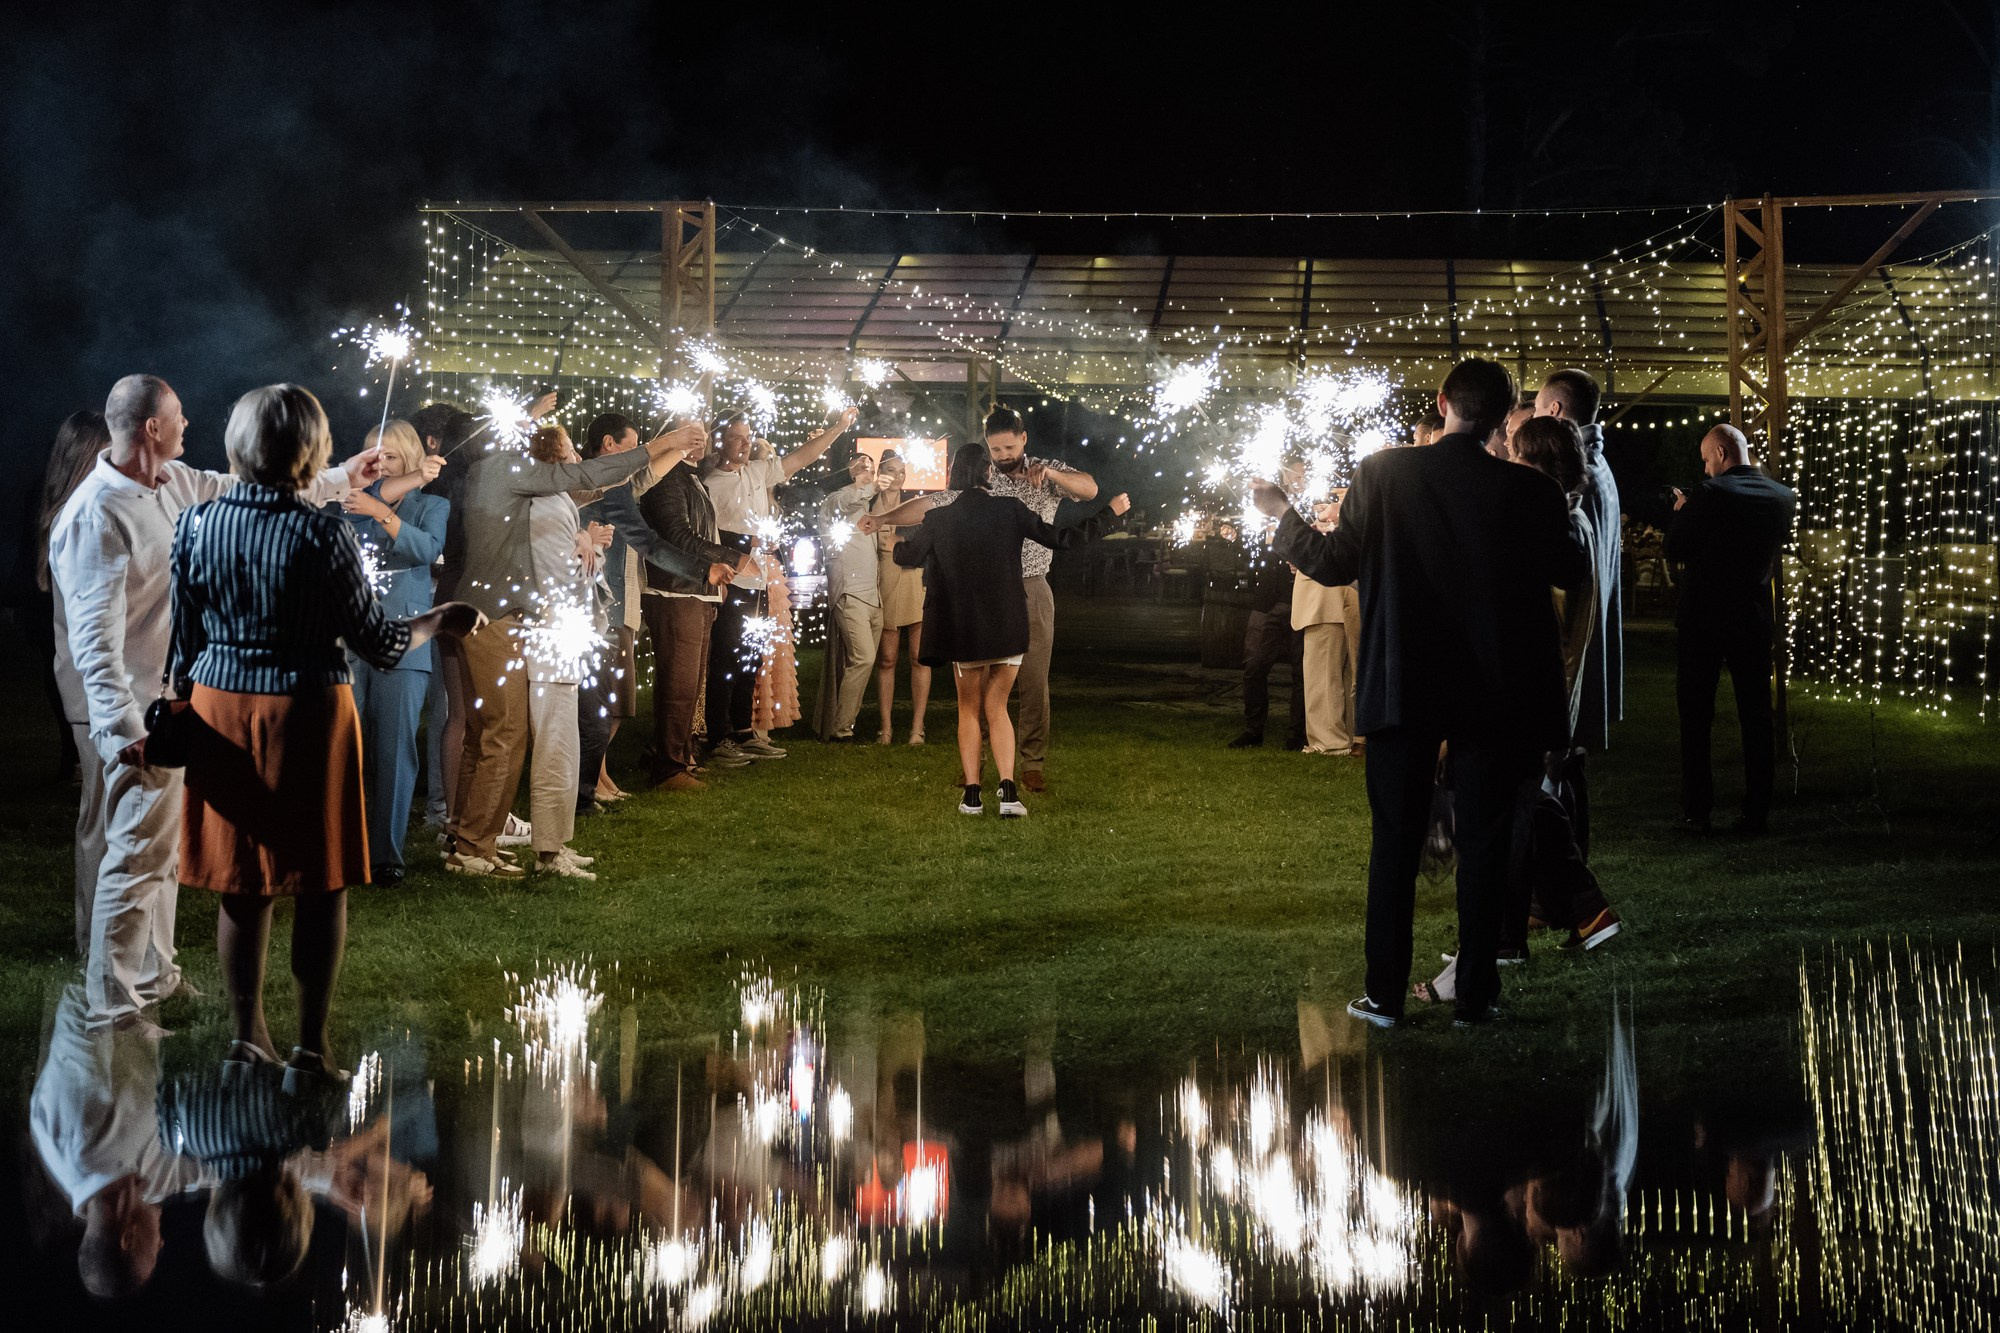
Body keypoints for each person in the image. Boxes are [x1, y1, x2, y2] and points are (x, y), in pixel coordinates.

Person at [1253, 357, 1588, 1028]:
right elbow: (1569, 568)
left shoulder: (1384, 473)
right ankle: (1475, 996)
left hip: (1404, 679)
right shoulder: (1528, 491)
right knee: (1487, 841)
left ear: (1443, 403)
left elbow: (1331, 561)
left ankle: (1383, 996)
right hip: (1496, 689)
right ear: (1507, 413)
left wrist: (1283, 515)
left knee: (1396, 842)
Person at [168, 383, 483, 1086]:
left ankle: (248, 1036)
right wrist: (440, 620)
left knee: (243, 882)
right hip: (306, 707)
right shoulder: (324, 532)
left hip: (222, 706)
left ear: (237, 446)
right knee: (321, 879)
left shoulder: (194, 525)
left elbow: (183, 643)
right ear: (310, 452)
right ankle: (310, 1047)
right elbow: (377, 641)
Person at [50, 374, 381, 1032]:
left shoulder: (172, 482)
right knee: (133, 855)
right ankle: (113, 1003)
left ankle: (155, 975)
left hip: (176, 704)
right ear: (150, 428)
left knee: (162, 852)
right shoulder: (96, 513)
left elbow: (251, 493)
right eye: (177, 415)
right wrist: (124, 733)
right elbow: (94, 642)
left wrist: (344, 475)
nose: (188, 422)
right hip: (137, 716)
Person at [444, 404, 702, 876]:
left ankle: (467, 837)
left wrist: (586, 529)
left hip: (499, 615)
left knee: (486, 736)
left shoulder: (508, 478)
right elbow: (590, 473)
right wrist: (661, 444)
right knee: (503, 734)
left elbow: (596, 483)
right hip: (499, 617)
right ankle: (472, 849)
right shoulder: (505, 469)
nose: (528, 430)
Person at [865, 407, 1100, 793]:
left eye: (1008, 446)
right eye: (995, 448)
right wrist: (884, 518)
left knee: (1033, 680)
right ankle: (979, 760)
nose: (1002, 455)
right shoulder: (981, 477)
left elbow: (1090, 488)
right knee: (984, 682)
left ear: (1023, 439)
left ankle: (1032, 762)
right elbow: (931, 505)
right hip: (985, 590)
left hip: (1031, 585)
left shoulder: (1046, 471)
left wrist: (1052, 474)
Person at [892, 442, 1129, 818]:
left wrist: (894, 542)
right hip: (1006, 623)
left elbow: (909, 556)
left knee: (969, 709)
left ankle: (972, 795)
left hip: (965, 628)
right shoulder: (1010, 510)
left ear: (954, 477)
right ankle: (1008, 791)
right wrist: (1109, 515)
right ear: (988, 474)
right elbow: (1062, 540)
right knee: (998, 707)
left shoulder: (939, 519)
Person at [701, 407, 856, 764]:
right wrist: (748, 542)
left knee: (750, 660)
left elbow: (803, 457)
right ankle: (718, 736)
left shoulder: (757, 471)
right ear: (720, 440)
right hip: (730, 581)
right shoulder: (710, 483)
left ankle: (743, 731)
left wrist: (839, 427)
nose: (745, 443)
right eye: (737, 437)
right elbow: (705, 534)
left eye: (748, 435)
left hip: (760, 581)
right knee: (726, 658)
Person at [1667, 424, 1796, 835]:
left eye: (1707, 460)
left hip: (1703, 617)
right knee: (1756, 717)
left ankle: (1696, 811)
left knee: (1696, 716)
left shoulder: (1710, 494)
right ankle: (1756, 810)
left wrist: (1684, 511)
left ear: (1721, 452)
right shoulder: (1782, 497)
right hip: (1753, 616)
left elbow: (1675, 548)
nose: (1706, 469)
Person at [576, 412, 709, 810]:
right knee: (607, 703)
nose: (638, 451)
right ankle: (588, 782)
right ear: (609, 445)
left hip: (621, 604)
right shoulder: (593, 483)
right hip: (603, 608)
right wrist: (704, 569)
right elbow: (648, 540)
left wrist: (681, 444)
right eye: (631, 444)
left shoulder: (615, 485)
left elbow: (643, 477)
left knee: (615, 703)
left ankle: (597, 776)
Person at [339, 420, 449, 885]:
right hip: (348, 639)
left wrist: (385, 514)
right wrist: (371, 505)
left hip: (405, 640)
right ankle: (341, 847)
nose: (379, 464)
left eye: (387, 457)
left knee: (395, 749)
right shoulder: (352, 502)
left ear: (408, 459)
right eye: (372, 456)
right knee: (343, 746)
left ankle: (386, 855)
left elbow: (427, 549)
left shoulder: (433, 504)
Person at [1535, 369, 1624, 855]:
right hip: (1584, 642)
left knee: (1555, 773)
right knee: (1568, 766)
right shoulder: (1600, 465)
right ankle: (1568, 879)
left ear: (1554, 412)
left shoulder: (1575, 478)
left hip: (1569, 648)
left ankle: (1562, 884)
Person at [34, 411, 113, 951]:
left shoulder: (93, 509)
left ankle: (111, 939)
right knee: (102, 815)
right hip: (94, 689)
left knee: (111, 815)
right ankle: (95, 938)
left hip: (104, 686)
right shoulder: (79, 518)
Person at [637, 424, 752, 790]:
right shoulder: (668, 480)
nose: (700, 442)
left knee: (693, 684)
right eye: (692, 435)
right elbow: (678, 536)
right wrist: (731, 557)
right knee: (679, 685)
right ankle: (667, 767)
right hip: (674, 591)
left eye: (703, 435)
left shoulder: (690, 478)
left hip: (697, 590)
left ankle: (682, 754)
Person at [521, 424, 611, 879]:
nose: (579, 457)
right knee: (555, 746)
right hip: (552, 637)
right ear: (557, 458)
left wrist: (585, 540)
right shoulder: (547, 506)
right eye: (573, 450)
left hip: (562, 638)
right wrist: (591, 547)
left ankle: (558, 843)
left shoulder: (555, 503)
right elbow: (563, 577)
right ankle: (548, 853)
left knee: (567, 744)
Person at [815, 450, 883, 740]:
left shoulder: (868, 504)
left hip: (873, 596)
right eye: (862, 467)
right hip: (850, 593)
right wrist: (869, 486)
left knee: (858, 662)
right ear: (849, 470)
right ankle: (841, 728)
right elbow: (846, 503)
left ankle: (843, 722)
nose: (868, 471)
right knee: (864, 659)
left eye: (871, 467)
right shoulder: (836, 499)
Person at [1292, 494, 1361, 756]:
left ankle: (1329, 741)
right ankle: (1350, 736)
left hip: (1328, 598)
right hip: (1337, 598)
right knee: (1340, 675)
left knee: (1324, 674)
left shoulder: (1345, 513)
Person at [870, 452, 932, 745]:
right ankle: (885, 727)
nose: (897, 477)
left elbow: (925, 540)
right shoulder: (870, 501)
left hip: (913, 579)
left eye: (902, 471)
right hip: (884, 580)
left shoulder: (915, 504)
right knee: (887, 658)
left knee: (920, 656)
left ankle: (917, 728)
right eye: (891, 470)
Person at [1229, 552, 1307, 750]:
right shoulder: (1268, 526)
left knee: (1302, 672)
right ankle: (1253, 730)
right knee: (1254, 666)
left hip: (1302, 601)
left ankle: (1297, 734)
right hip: (1266, 602)